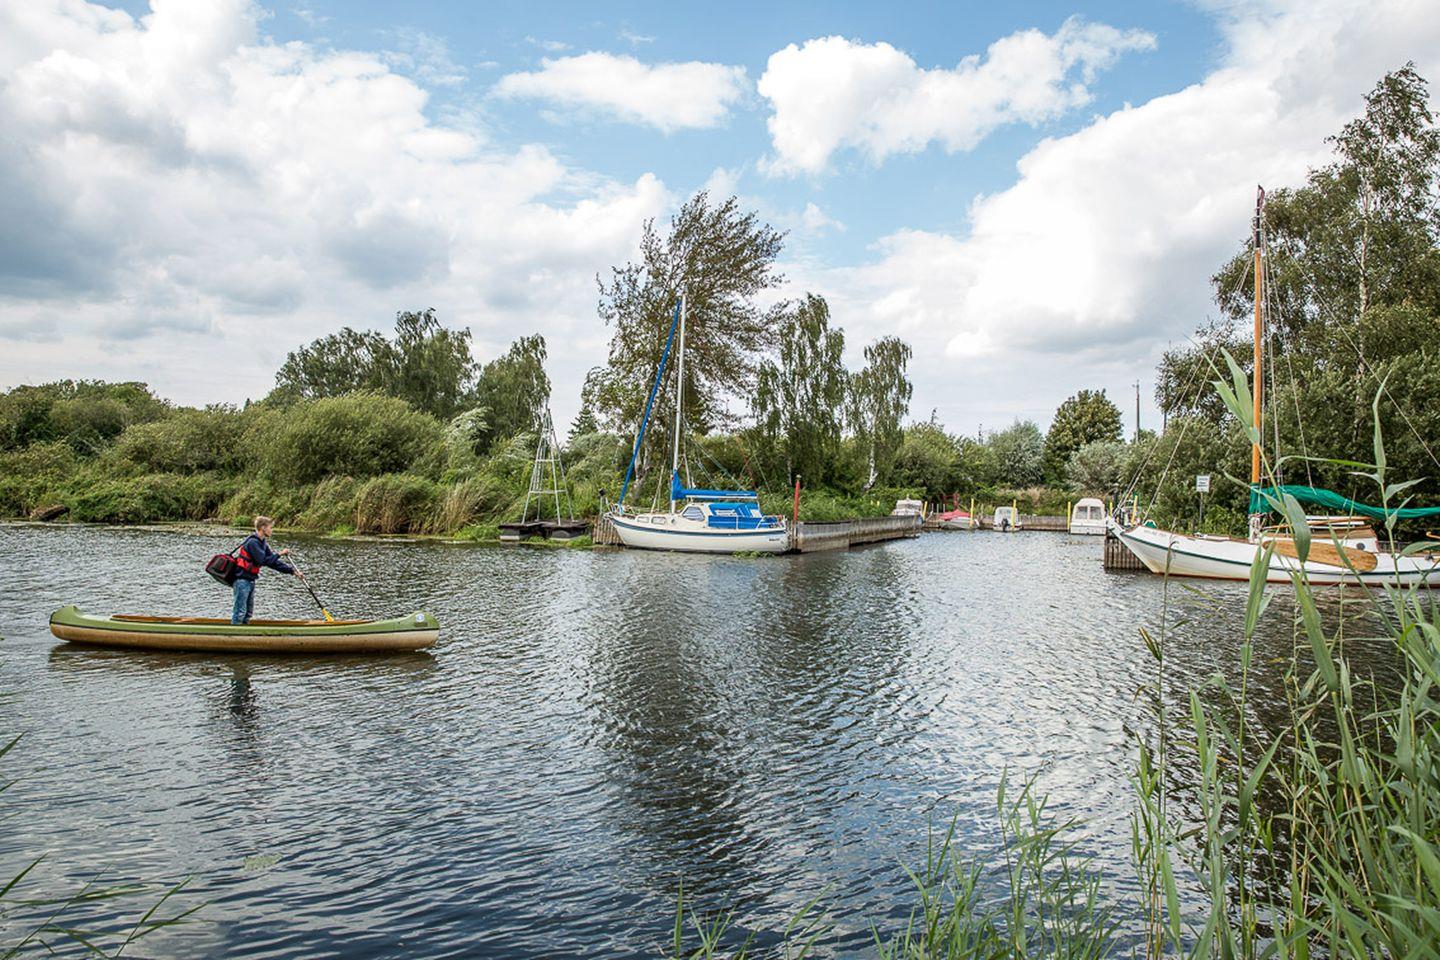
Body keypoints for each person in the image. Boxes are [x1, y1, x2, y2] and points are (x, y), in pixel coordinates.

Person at [232, 515, 301, 625]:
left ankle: (244, 632)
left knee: (248, 613)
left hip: (250, 581)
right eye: (270, 527)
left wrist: (292, 571)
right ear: (263, 528)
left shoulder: (262, 543)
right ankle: (234, 633)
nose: (271, 530)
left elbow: (272, 562)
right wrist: (280, 553)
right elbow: (262, 561)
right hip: (242, 581)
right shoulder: (252, 543)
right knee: (240, 612)